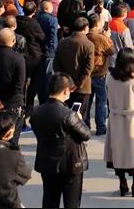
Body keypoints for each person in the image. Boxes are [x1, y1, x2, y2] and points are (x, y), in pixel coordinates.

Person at [30, 72, 91, 208]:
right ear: (65, 91)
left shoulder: (36, 112)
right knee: (72, 203)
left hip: (47, 163)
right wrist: (79, 120)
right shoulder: (69, 115)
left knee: (49, 200)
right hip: (70, 164)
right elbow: (86, 134)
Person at [104, 48, 134, 196]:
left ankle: (122, 183)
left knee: (117, 151)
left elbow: (108, 95)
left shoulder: (109, 77)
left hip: (115, 117)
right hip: (133, 118)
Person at [54, 17, 95, 108]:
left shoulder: (62, 42)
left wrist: (64, 81)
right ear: (85, 28)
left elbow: (56, 64)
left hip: (65, 86)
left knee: (65, 112)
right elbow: (88, 68)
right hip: (82, 88)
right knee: (79, 114)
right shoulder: (88, 45)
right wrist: (78, 84)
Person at [86, 13, 116, 135]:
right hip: (100, 73)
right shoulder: (101, 38)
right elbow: (111, 51)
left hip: (87, 74)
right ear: (98, 23)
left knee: (87, 101)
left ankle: (85, 125)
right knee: (101, 101)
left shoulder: (85, 36)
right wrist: (107, 37)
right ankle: (100, 126)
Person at [16, 1, 46, 111]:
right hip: (34, 54)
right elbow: (42, 38)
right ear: (34, 11)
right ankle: (29, 105)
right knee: (34, 82)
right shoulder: (34, 24)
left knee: (21, 80)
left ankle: (22, 104)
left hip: (20, 54)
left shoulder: (17, 21)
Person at [108, 3, 133, 69]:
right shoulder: (124, 28)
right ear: (124, 14)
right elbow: (128, 47)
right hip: (120, 61)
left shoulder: (106, 24)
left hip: (108, 60)